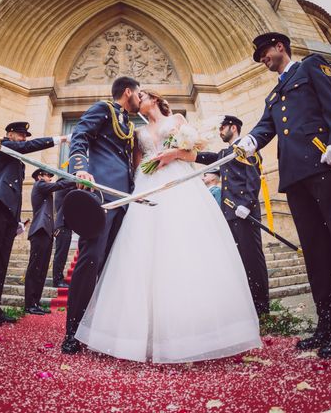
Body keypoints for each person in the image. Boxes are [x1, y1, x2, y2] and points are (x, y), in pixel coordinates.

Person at [75, 90, 261, 363]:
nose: (140, 99)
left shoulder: (176, 119)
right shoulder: (137, 132)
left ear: (155, 99)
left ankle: (195, 331)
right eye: (137, 95)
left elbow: (193, 153)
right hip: (148, 186)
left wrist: (173, 154)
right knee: (141, 254)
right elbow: (136, 164)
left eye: (143, 95)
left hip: (178, 185)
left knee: (182, 247)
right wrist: (134, 192)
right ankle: (141, 335)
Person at [238, 32, 331, 358]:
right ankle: (327, 321)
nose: (263, 59)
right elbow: (265, 126)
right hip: (295, 177)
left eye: (264, 53)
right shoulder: (274, 94)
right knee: (316, 251)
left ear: (279, 46)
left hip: (325, 164)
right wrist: (250, 141)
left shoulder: (311, 67)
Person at [61, 76, 142, 355]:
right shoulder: (102, 109)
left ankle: (98, 329)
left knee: (110, 266)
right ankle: (72, 331)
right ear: (128, 92)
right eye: (138, 94)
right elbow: (80, 136)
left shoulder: (129, 125)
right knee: (90, 260)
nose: (139, 100)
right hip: (101, 196)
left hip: (123, 200)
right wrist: (80, 168)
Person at [0, 122, 68, 326]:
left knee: (1, 262)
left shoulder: (18, 161)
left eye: (26, 135)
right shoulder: (3, 145)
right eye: (21, 134)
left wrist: (18, 218)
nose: (24, 139)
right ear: (10, 134)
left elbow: (16, 193)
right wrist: (58, 139)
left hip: (9, 212)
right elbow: (26, 149)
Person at [191, 115, 269, 316]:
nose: (220, 131)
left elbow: (254, 176)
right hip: (229, 213)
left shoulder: (246, 147)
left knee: (252, 259)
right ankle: (249, 305)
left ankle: (261, 307)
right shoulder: (226, 152)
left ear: (233, 127)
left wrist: (247, 204)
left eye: (222, 127)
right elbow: (209, 157)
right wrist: (188, 153)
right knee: (240, 261)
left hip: (244, 212)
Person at [24, 169, 73, 315]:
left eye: (51, 177)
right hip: (39, 230)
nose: (50, 179)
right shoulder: (39, 185)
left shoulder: (45, 189)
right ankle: (29, 304)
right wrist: (76, 180)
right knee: (35, 269)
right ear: (40, 176)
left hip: (47, 232)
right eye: (48, 176)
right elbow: (58, 186)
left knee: (42, 270)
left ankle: (36, 303)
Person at [52, 188, 72, 289]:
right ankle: (57, 280)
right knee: (60, 255)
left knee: (62, 255)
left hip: (66, 227)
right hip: (62, 226)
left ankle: (59, 279)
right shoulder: (62, 188)